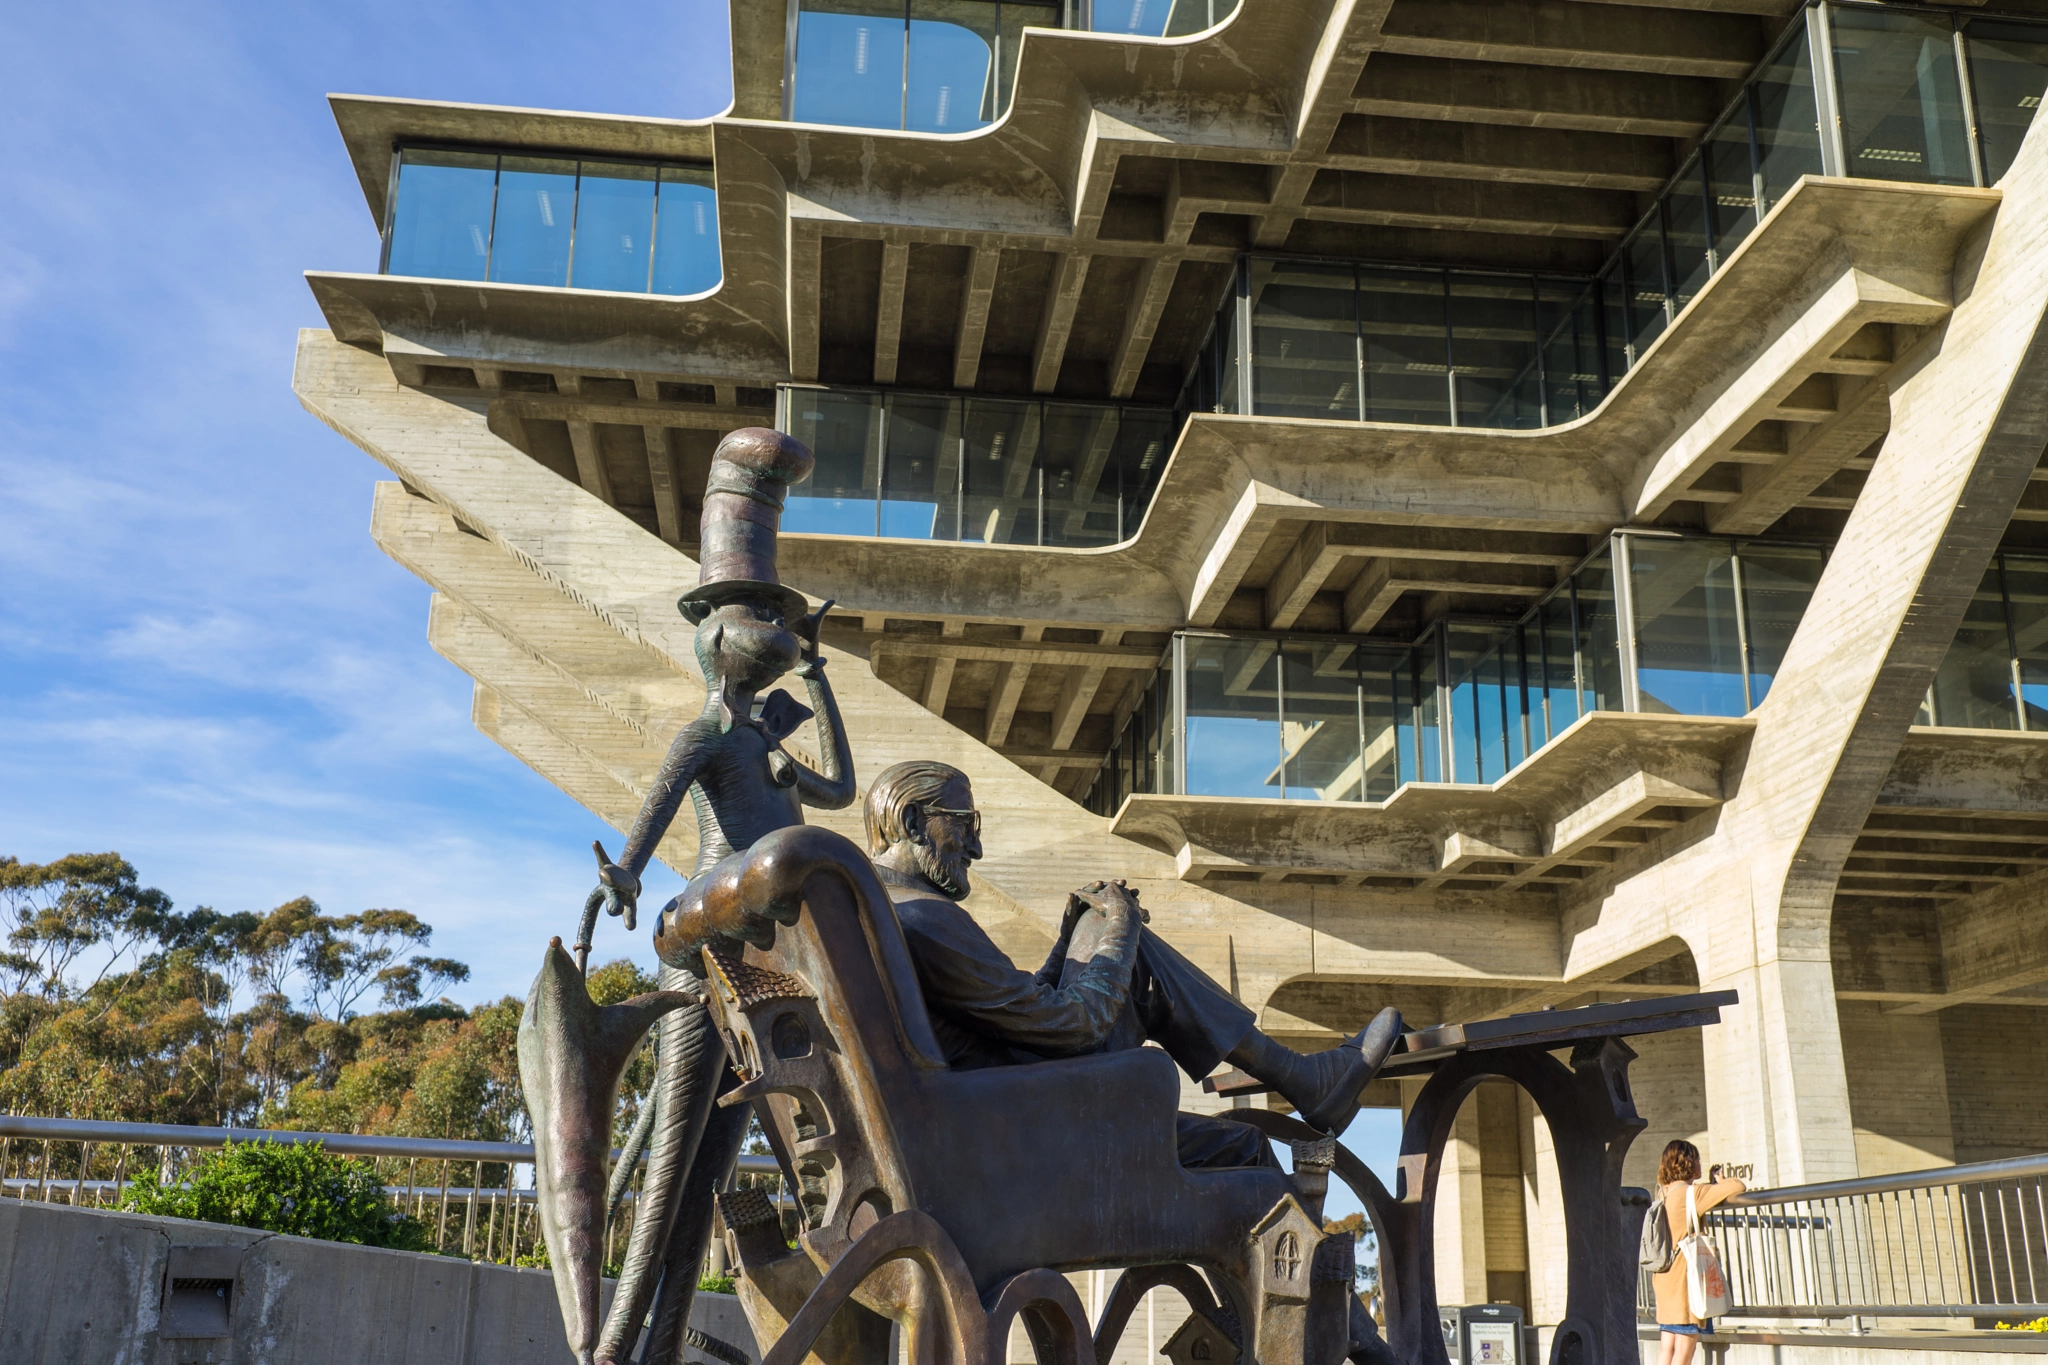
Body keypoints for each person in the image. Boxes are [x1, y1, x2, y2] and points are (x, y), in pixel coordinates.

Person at [862, 758, 1405, 1164]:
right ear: (913, 821)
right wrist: (1121, 928)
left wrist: (1068, 941)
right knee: (1128, 948)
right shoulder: (926, 920)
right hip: (1030, 1115)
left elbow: (1006, 1015)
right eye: (964, 823)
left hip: (996, 1097)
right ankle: (1302, 1078)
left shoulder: (892, 910)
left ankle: (1303, 1078)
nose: (975, 849)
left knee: (1101, 930)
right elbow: (1078, 1025)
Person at [1651, 1139, 1745, 1365]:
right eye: (1697, 1159)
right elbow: (1738, 1187)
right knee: (1685, 1348)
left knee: (1668, 1346)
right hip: (1686, 1281)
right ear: (1688, 1163)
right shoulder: (1693, 1194)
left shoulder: (1663, 1193)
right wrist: (1721, 1180)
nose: (1701, 1163)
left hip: (1664, 1279)